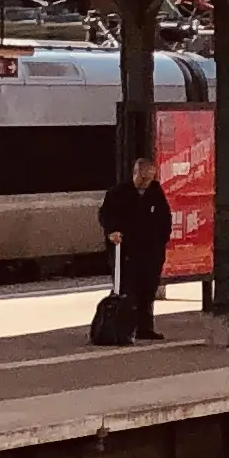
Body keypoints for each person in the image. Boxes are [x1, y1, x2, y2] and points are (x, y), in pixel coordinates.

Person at [98, 147, 173, 343]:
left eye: (149, 179)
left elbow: (165, 219)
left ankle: (145, 328)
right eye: (143, 179)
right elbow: (106, 215)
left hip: (150, 252)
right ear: (135, 173)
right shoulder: (118, 193)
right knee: (126, 290)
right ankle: (122, 328)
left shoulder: (156, 193)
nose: (146, 183)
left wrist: (161, 242)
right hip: (126, 251)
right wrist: (112, 232)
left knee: (147, 290)